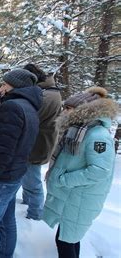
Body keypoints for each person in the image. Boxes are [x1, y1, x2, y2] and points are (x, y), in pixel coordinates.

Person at [0, 69, 42, 258]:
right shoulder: (29, 107)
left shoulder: (12, 108)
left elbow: (1, 151)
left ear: (15, 86)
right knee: (6, 222)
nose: (1, 87)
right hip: (12, 175)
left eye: (4, 84)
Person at [43, 87, 117, 258]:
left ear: (83, 111)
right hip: (73, 197)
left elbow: (99, 171)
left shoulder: (97, 135)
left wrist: (64, 180)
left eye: (69, 109)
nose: (64, 112)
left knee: (66, 241)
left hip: (81, 197)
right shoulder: (79, 130)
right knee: (68, 237)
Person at [21, 64, 62, 220]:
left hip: (39, 143)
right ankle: (27, 202)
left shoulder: (47, 95)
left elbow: (31, 117)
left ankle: (35, 214)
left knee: (33, 180)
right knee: (28, 174)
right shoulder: (47, 91)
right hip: (37, 141)